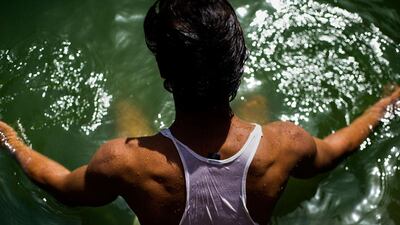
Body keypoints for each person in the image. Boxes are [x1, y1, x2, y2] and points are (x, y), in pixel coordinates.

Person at [0, 0, 399, 224]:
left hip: (152, 181)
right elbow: (335, 149)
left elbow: (64, 187)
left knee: (129, 117)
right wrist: (385, 105)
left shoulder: (124, 161)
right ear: (238, 63)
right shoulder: (284, 144)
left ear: (163, 71)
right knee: (253, 113)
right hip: (255, 158)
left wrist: (10, 139)